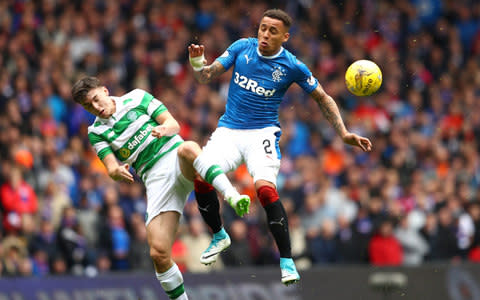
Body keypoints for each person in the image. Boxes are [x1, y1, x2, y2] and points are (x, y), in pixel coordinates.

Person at [188, 8, 372, 285]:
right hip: (229, 130)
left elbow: (323, 98)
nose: (265, 34)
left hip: (261, 133)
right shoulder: (242, 47)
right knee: (201, 176)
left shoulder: (292, 66)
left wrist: (343, 132)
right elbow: (205, 76)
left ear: (285, 37)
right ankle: (218, 235)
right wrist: (197, 62)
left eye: (273, 31)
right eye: (262, 28)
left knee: (264, 189)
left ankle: (287, 261)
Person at [71, 76, 250, 300]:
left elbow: (173, 124)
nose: (96, 107)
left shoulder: (137, 97)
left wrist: (164, 130)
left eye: (96, 99)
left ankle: (232, 195)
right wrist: (116, 172)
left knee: (189, 147)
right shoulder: (95, 132)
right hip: (155, 180)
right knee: (158, 253)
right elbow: (110, 167)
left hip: (175, 157)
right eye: (89, 106)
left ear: (105, 91)